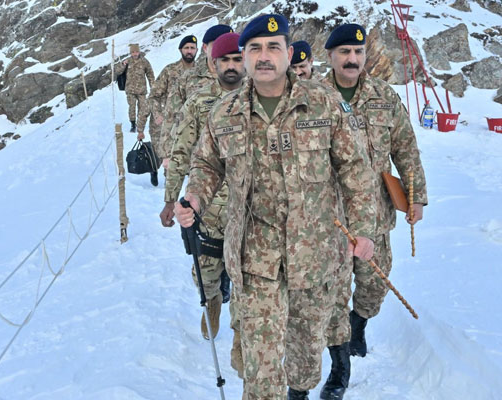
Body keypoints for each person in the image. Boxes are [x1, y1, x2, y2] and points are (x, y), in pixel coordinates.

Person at [174, 14, 378, 400]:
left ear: (288, 53)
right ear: (244, 56)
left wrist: (365, 229)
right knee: (261, 369)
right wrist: (195, 198)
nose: (263, 56)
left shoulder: (323, 104)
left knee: (303, 361)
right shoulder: (225, 112)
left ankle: (299, 393)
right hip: (254, 259)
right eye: (254, 49)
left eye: (273, 48)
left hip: (313, 257)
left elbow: (355, 170)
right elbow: (205, 164)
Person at [318, 23, 428, 400]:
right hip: (328, 216)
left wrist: (415, 196)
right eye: (344, 52)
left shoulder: (384, 96)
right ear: (330, 56)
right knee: (332, 292)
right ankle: (339, 367)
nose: (352, 59)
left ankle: (359, 324)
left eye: (358, 52)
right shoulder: (312, 97)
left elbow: (406, 149)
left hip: (375, 213)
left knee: (373, 283)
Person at [161, 32, 246, 374]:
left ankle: (243, 342)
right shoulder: (198, 102)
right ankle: (212, 300)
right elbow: (180, 152)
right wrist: (171, 199)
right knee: (206, 278)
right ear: (213, 63)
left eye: (237, 59)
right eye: (224, 60)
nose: (231, 66)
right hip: (207, 211)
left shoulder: (261, 100)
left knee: (247, 283)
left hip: (248, 211)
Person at [159, 24, 233, 167]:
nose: (223, 50)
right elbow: (172, 114)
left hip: (235, 154)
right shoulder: (188, 78)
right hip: (200, 157)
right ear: (205, 48)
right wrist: (168, 153)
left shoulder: (244, 77)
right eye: (218, 45)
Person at [148, 35, 198, 158]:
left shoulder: (201, 72)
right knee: (171, 168)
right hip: (172, 125)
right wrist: (157, 114)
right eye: (186, 48)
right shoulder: (170, 71)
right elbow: (153, 96)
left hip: (193, 126)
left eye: (192, 48)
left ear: (197, 50)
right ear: (180, 50)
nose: (189, 51)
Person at [121, 43, 154, 137]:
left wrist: (153, 86)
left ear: (139, 51)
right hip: (130, 90)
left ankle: (140, 125)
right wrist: (123, 64)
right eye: (133, 52)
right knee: (132, 107)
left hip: (141, 90)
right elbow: (118, 71)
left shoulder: (145, 62)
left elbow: (150, 74)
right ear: (130, 53)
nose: (135, 53)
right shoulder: (127, 61)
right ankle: (132, 124)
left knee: (142, 108)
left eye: (136, 51)